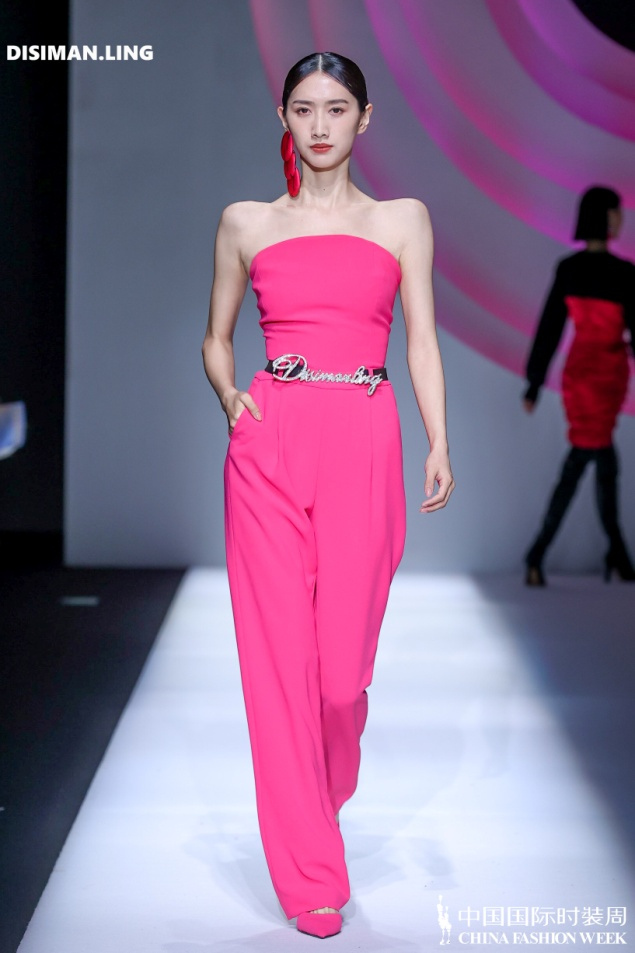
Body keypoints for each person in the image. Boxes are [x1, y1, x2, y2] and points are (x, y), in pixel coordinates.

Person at [202, 52, 454, 938]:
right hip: (269, 443)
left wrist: (438, 437)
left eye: (336, 108)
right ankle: (310, 872)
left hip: (363, 438)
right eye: (304, 108)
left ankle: (320, 795)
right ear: (283, 115)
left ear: (364, 118)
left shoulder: (401, 220)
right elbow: (216, 337)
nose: (319, 125)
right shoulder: (245, 221)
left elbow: (420, 339)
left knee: (340, 680)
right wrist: (231, 399)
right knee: (277, 665)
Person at [523, 185, 635, 586]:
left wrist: (535, 382)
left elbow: (549, 330)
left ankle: (613, 555)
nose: (621, 219)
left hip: (598, 375)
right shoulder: (622, 274)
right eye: (616, 212)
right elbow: (550, 328)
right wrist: (534, 382)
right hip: (594, 377)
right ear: (603, 217)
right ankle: (607, 555)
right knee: (593, 459)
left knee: (597, 459)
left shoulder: (574, 269)